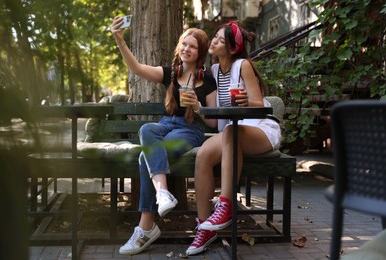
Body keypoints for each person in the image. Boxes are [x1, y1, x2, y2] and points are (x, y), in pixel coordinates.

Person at [110, 16, 217, 255]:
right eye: (184, 44)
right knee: (146, 129)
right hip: (166, 124)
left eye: (193, 46)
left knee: (144, 157)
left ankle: (145, 228)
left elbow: (214, 121)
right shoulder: (171, 74)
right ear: (179, 46)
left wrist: (198, 106)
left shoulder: (206, 79)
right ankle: (161, 192)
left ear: (199, 53)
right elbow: (137, 68)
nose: (187, 49)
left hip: (189, 130)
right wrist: (120, 41)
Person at [186, 21, 282, 255]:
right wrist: (198, 108)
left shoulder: (243, 65)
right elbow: (214, 121)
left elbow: (259, 104)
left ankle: (225, 206)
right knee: (203, 155)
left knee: (230, 132)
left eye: (220, 39)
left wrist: (245, 101)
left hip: (260, 130)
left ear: (231, 48)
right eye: (215, 37)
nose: (215, 41)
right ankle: (204, 229)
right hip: (232, 133)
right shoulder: (216, 71)